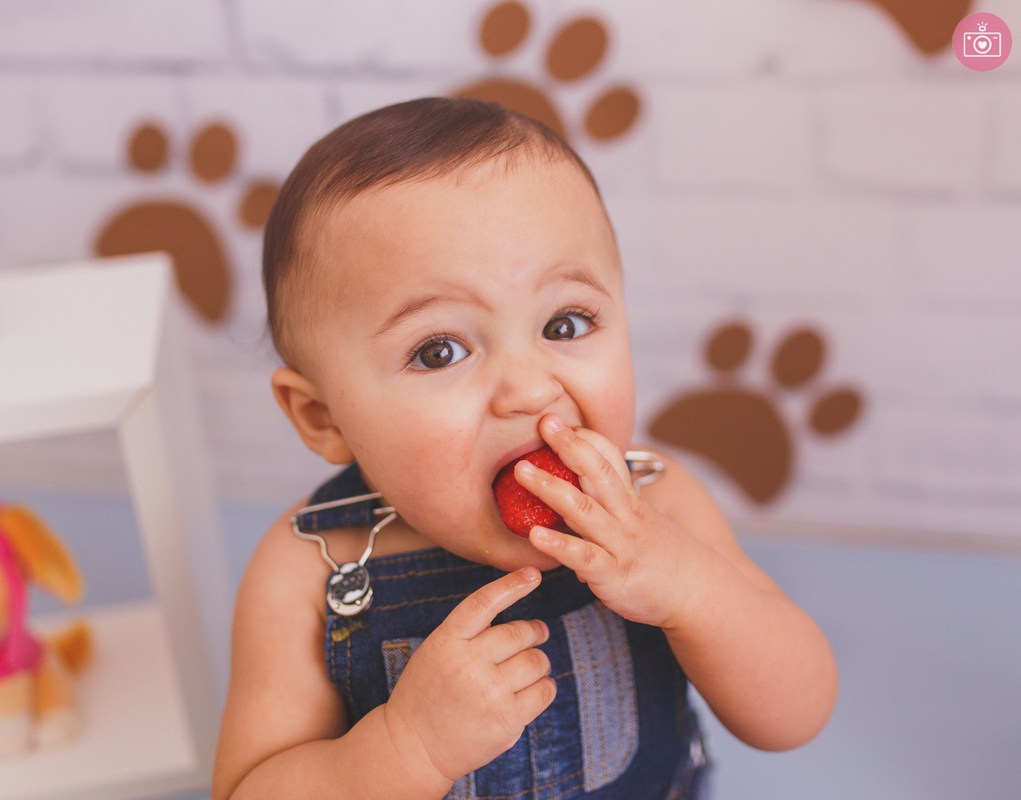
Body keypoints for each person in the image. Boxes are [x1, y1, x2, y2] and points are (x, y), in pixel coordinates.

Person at [212, 97, 837, 800]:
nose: (530, 390)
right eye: (440, 350)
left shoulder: (660, 503)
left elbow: (798, 713)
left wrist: (690, 589)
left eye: (565, 324)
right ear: (322, 416)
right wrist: (406, 747)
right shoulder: (308, 569)